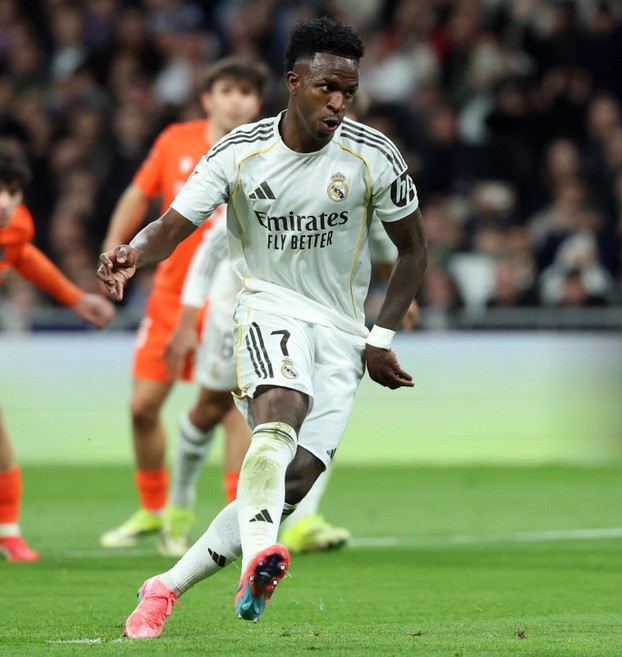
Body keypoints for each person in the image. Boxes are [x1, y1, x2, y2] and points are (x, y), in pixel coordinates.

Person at [98, 16, 426, 637]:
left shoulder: (373, 155)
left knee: (293, 482)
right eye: (327, 88)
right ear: (293, 81)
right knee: (279, 412)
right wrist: (132, 253)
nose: (338, 103)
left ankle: (164, 587)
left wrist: (379, 339)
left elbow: (413, 252)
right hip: (267, 305)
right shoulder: (239, 152)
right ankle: (260, 558)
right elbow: (172, 226)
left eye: (348, 93)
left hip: (341, 333)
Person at [163, 208, 412, 557]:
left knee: (312, 416)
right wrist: (188, 320)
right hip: (239, 307)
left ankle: (298, 521)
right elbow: (211, 249)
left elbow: (383, 240)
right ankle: (179, 507)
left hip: (310, 319)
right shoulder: (265, 173)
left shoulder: (353, 179)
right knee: (210, 410)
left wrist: (398, 298)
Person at [98, 57, 268, 551]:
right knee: (142, 406)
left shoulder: (270, 149)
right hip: (173, 294)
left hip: (239, 297)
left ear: (258, 102)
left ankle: (239, 521)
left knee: (234, 409)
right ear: (207, 98)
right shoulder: (175, 139)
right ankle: (154, 510)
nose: (236, 100)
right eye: (227, 90)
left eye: (246, 92)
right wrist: (114, 245)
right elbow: (138, 193)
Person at [0, 141, 115, 561]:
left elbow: (23, 256)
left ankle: (9, 531)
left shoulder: (17, 226)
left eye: (13, 191)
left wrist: (74, 298)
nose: (5, 202)